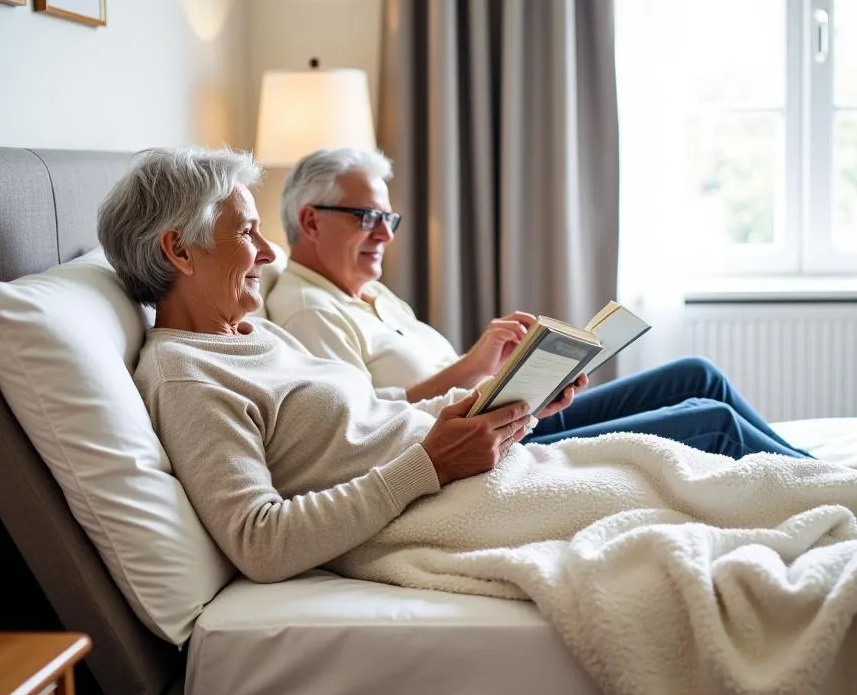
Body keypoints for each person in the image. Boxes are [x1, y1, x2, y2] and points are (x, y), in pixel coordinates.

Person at [266, 147, 857, 469]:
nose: (385, 233)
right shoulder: (305, 310)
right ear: (311, 220)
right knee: (703, 419)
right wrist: (469, 367)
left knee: (697, 375)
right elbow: (361, 431)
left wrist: (510, 375)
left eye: (390, 217)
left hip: (502, 416)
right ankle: (831, 481)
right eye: (367, 217)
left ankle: (805, 464)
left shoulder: (370, 292)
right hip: (489, 454)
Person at [98, 147, 584, 583]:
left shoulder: (254, 332)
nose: (269, 254)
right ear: (179, 250)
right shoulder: (187, 376)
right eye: (247, 232)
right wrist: (430, 465)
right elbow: (259, 542)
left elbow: (372, 413)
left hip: (473, 473)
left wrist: (503, 404)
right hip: (443, 503)